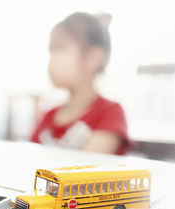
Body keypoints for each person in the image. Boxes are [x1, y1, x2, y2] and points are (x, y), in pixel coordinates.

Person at [31, 12, 131, 155]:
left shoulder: (110, 113)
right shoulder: (48, 116)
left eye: (59, 48)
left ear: (92, 58)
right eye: (51, 50)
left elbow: (87, 169)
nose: (51, 59)